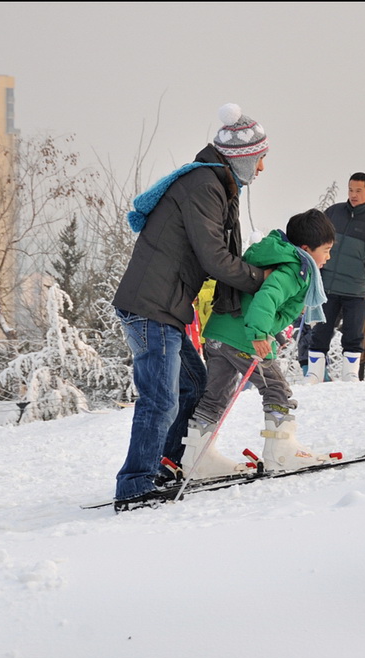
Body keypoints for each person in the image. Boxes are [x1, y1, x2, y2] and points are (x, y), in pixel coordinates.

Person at [110, 103, 271, 510]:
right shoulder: (204, 185)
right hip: (153, 306)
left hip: (166, 305)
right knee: (160, 398)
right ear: (244, 158)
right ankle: (134, 485)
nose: (263, 169)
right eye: (261, 160)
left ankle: (166, 464)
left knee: (192, 385)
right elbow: (215, 257)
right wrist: (260, 280)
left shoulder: (216, 185)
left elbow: (218, 254)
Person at [182, 209, 335, 477]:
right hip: (244, 338)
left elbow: (255, 301)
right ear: (306, 249)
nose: (328, 257)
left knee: (215, 397)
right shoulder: (293, 269)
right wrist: (260, 334)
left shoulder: (274, 259)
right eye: (326, 250)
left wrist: (270, 332)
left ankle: (197, 456)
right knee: (276, 389)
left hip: (219, 335)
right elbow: (267, 299)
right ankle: (281, 451)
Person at [307, 173, 365, 383]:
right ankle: (314, 374)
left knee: (353, 334)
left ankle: (350, 374)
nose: (353, 195)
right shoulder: (334, 212)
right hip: (327, 285)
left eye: (358, 190)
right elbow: (314, 233)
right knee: (320, 331)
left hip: (356, 289)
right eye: (350, 190)